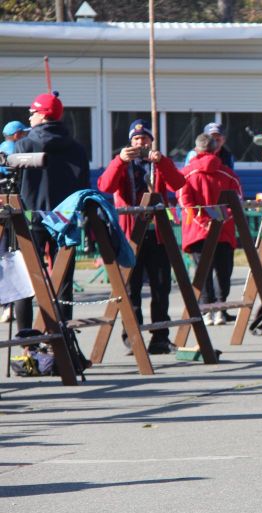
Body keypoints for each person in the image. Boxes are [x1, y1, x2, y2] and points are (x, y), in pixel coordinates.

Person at [97, 119, 185, 353]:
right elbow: (105, 187)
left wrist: (162, 162)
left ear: (151, 141)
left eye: (144, 138)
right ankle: (132, 336)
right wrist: (119, 161)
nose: (140, 143)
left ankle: (160, 337)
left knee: (161, 288)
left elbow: (178, 184)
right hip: (129, 235)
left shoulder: (158, 162)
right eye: (136, 139)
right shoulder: (122, 163)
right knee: (131, 290)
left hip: (157, 234)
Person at [14, 92, 89, 331]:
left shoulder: (23, 145)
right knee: (63, 281)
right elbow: (84, 187)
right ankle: (63, 339)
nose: (29, 117)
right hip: (65, 221)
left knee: (25, 281)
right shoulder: (77, 148)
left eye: (32, 112)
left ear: (43, 115)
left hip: (30, 221)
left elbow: (15, 185)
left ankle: (28, 341)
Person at [179, 133, 242, 325]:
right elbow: (237, 201)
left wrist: (203, 221)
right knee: (223, 270)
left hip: (196, 231)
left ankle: (206, 310)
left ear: (196, 150)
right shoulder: (228, 173)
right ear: (216, 150)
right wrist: (218, 220)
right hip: (224, 229)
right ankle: (220, 308)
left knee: (202, 271)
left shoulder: (186, 174)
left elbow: (185, 203)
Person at [0, 120, 29, 323]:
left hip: (3, 207)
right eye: (24, 134)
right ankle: (11, 304)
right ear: (18, 135)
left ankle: (6, 306)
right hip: (12, 206)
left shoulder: (2, 149)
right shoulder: (16, 152)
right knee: (14, 257)